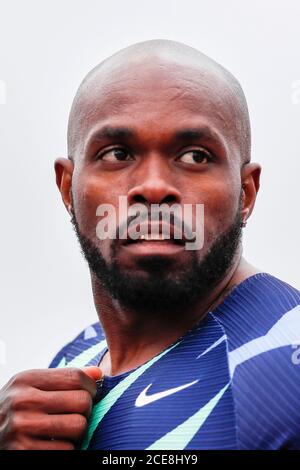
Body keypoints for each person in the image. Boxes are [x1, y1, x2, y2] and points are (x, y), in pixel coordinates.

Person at [1, 39, 299, 450]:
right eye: (117, 153)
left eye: (195, 156)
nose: (154, 187)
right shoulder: (75, 358)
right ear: (68, 188)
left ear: (245, 192)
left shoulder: (287, 374)